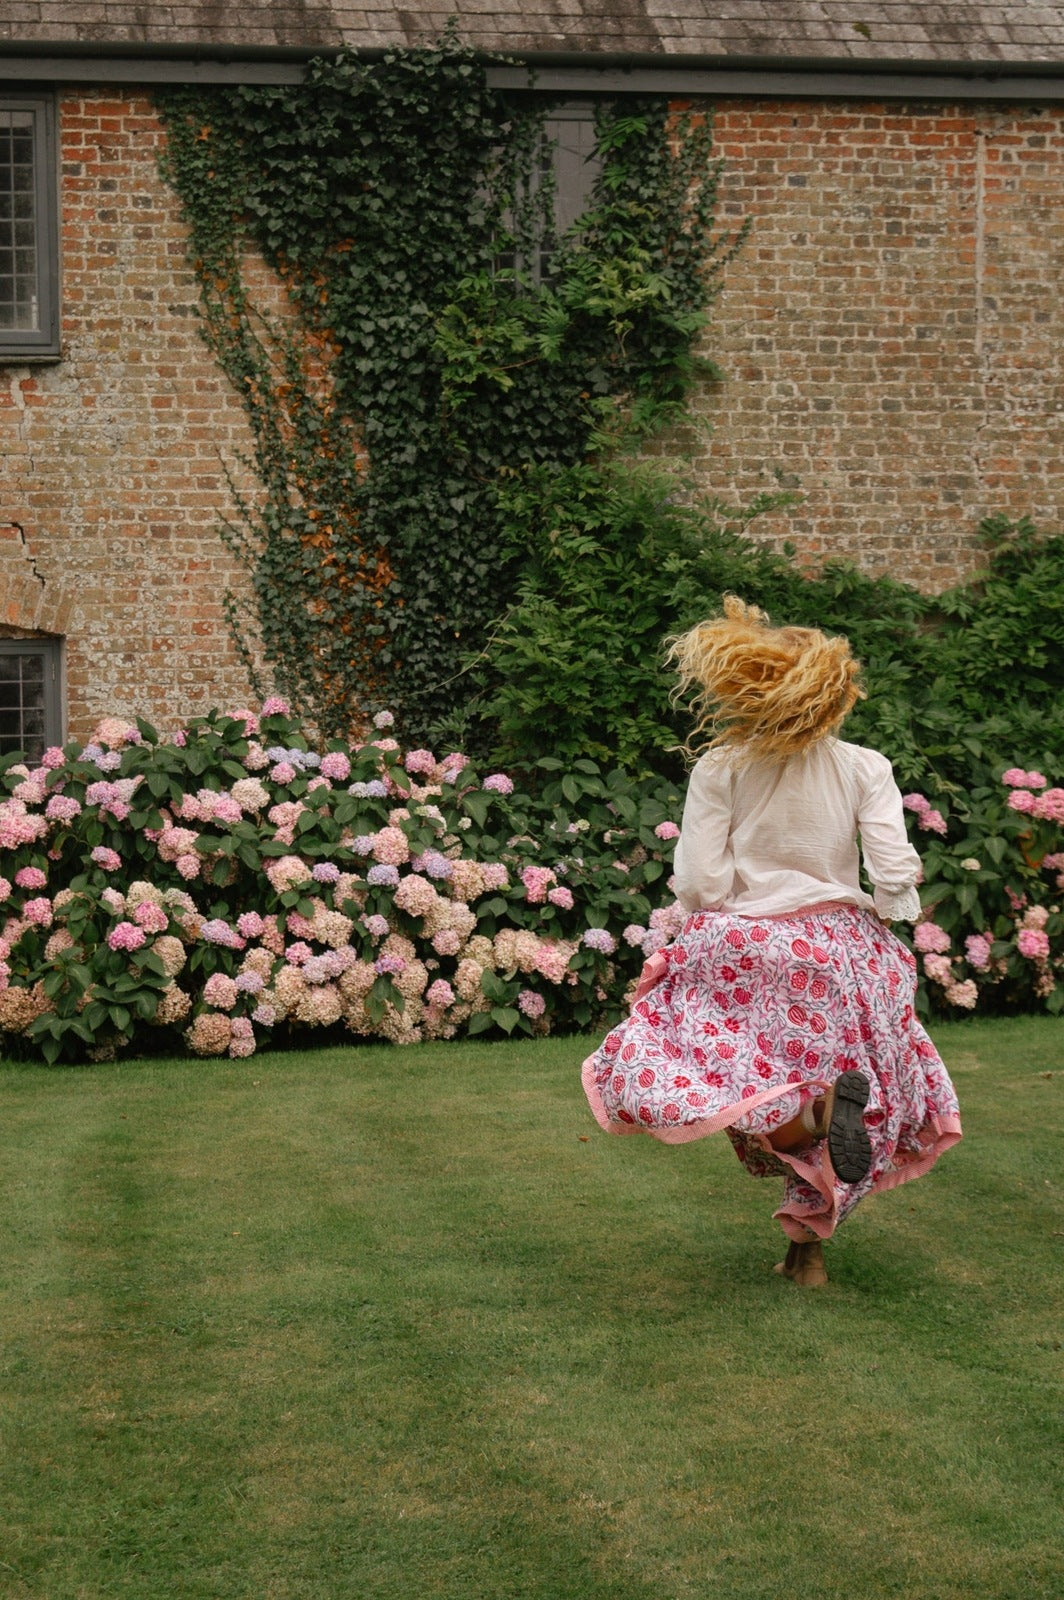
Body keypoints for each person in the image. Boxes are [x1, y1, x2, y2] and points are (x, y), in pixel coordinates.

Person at [582, 597, 962, 1288]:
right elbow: (892, 864)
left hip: (747, 945)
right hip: (839, 951)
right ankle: (810, 1230)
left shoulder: (721, 766)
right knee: (797, 1085)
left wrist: (719, 919)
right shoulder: (865, 766)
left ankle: (809, 1142)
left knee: (725, 1078)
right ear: (834, 694)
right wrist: (893, 910)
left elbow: (698, 876)